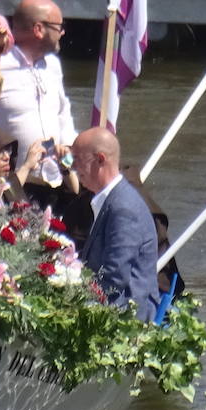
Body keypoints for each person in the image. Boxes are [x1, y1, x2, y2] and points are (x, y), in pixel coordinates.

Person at [0, 0, 77, 209]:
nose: (63, 32)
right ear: (38, 29)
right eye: (59, 26)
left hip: (57, 182)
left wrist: (69, 153)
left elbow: (63, 115)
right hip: (15, 184)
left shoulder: (53, 66)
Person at [70, 127, 160, 323]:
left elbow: (114, 278)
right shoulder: (112, 201)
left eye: (77, 159)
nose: (73, 167)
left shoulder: (123, 208)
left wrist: (69, 301)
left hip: (128, 321)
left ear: (100, 159)